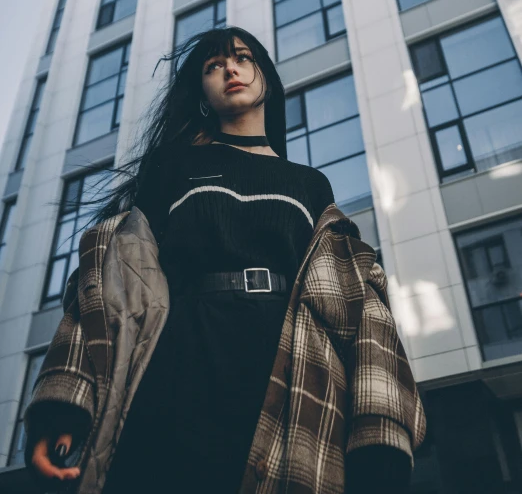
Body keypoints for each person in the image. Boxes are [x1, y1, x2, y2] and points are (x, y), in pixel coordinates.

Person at [24, 26, 424, 493]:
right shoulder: (173, 170)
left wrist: (379, 440)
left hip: (287, 364)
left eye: (241, 58)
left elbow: (361, 302)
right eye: (212, 66)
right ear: (202, 95)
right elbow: (110, 278)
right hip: (178, 359)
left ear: (266, 80)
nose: (229, 69)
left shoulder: (309, 184)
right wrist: (63, 405)